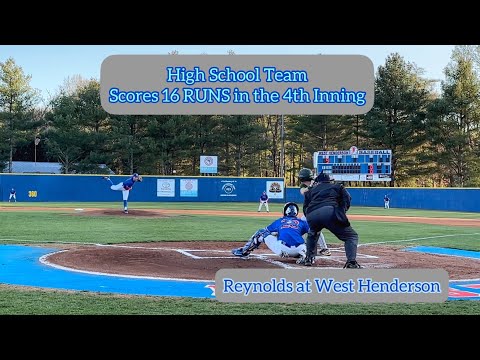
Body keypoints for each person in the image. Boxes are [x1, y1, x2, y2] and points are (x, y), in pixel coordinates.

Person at [298, 168, 361, 268]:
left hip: (312, 214)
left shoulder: (312, 190)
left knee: (313, 233)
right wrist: (341, 212)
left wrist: (309, 217)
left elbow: (306, 205)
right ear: (330, 180)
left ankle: (308, 258)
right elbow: (347, 199)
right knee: (351, 236)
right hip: (330, 212)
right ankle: (351, 262)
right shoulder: (337, 186)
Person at [232, 202, 309, 263]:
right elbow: (314, 232)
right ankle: (306, 255)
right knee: (309, 235)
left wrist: (276, 233)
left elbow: (267, 230)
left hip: (283, 249)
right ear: (296, 212)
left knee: (260, 233)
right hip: (301, 248)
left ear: (285, 211)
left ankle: (244, 252)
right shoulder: (302, 222)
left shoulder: (280, 221)